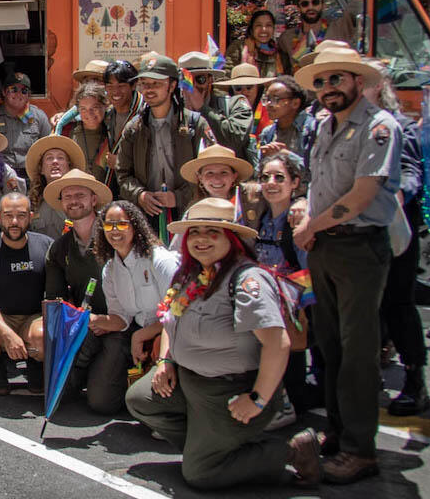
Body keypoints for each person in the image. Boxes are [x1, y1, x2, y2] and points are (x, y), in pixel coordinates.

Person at [125, 198, 320, 489]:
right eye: (195, 232)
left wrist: (257, 399)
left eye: (211, 231)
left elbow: (277, 344)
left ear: (232, 237)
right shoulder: (191, 273)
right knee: (140, 400)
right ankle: (211, 446)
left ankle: (292, 450)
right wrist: (166, 361)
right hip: (190, 381)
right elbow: (170, 320)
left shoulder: (247, 280)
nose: (201, 239)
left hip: (230, 391)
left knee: (201, 475)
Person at [291, 47, 399, 483]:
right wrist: (305, 209)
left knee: (358, 353)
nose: (327, 89)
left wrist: (308, 226)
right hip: (324, 245)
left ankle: (360, 449)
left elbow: (361, 197)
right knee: (330, 346)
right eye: (320, 82)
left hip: (357, 247)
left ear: (357, 80)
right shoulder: (323, 124)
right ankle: (337, 431)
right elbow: (322, 184)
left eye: (336, 79)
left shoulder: (379, 127)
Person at [361, 58, 428, 417]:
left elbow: (412, 171)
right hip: (353, 236)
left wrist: (397, 192)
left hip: (391, 230)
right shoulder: (341, 125)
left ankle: (415, 379)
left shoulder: (399, 125)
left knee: (398, 304)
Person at [40, 170, 126, 413]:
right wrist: (76, 321)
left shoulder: (116, 235)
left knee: (101, 403)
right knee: (59, 393)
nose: (73, 200)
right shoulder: (59, 248)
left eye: (80, 195)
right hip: (84, 327)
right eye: (67, 196)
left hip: (120, 326)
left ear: (93, 200)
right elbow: (55, 299)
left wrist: (109, 322)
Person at [115, 55, 215, 237]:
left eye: (157, 83)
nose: (149, 89)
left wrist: (177, 197)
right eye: (145, 83)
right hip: (146, 218)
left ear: (172, 85)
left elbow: (210, 173)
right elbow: (122, 174)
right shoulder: (134, 129)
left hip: (189, 215)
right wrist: (140, 195)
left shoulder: (195, 125)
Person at [253, 151, 317, 420]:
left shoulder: (299, 219)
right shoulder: (257, 217)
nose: (271, 183)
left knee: (298, 388)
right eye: (266, 177)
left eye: (280, 177)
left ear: (295, 182)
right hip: (262, 303)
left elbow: (308, 273)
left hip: (292, 309)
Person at [0, 193, 52, 394]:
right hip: (0, 318)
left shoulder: (46, 246)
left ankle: (36, 363)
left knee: (42, 336)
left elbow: (53, 294)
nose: (14, 222)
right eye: (8, 216)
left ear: (31, 216)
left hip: (33, 317)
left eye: (21, 215)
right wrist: (7, 333)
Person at [89, 200, 178, 375]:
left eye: (122, 224)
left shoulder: (159, 260)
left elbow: (177, 313)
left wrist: (141, 336)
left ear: (135, 226)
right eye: (109, 225)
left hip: (170, 337)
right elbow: (121, 318)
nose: (115, 230)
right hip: (135, 336)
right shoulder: (110, 269)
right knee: (101, 398)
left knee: (139, 398)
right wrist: (88, 319)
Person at [178, 51, 254, 165]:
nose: (194, 87)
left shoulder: (235, 104)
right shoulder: (174, 111)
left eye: (200, 79)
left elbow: (234, 140)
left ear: (210, 80)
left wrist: (203, 109)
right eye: (187, 80)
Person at [0, 72, 50, 177]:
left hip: (31, 175)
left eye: (24, 91)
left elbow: (48, 147)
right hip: (1, 174)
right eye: (13, 90)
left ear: (28, 95)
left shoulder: (38, 117)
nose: (18, 94)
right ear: (4, 92)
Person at [25, 135, 84, 238]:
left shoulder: (81, 198)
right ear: (41, 169)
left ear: (69, 167)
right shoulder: (33, 202)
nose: (55, 162)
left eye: (60, 158)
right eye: (49, 158)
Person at [279, 0, 358, 61]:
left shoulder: (339, 29)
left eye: (315, 2)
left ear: (323, 5)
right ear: (299, 8)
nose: (310, 7)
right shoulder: (287, 38)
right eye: (305, 4)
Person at [257, 75, 317, 168]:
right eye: (267, 99)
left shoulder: (312, 128)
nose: (268, 105)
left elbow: (317, 169)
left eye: (275, 99)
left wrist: (286, 156)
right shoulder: (268, 133)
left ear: (295, 103)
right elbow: (258, 170)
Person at [62, 82, 114, 186]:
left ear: (105, 106)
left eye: (95, 108)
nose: (89, 113)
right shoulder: (67, 132)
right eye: (83, 109)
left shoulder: (113, 133)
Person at [179, 144, 255, 209]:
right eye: (210, 173)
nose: (217, 179)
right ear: (200, 178)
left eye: (224, 172)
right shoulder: (194, 211)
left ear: (234, 176)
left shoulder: (252, 201)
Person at [227, 10, 294, 77]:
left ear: (273, 29)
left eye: (268, 25)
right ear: (252, 29)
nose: (264, 29)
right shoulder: (239, 47)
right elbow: (226, 74)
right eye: (258, 25)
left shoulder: (280, 53)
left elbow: (287, 79)